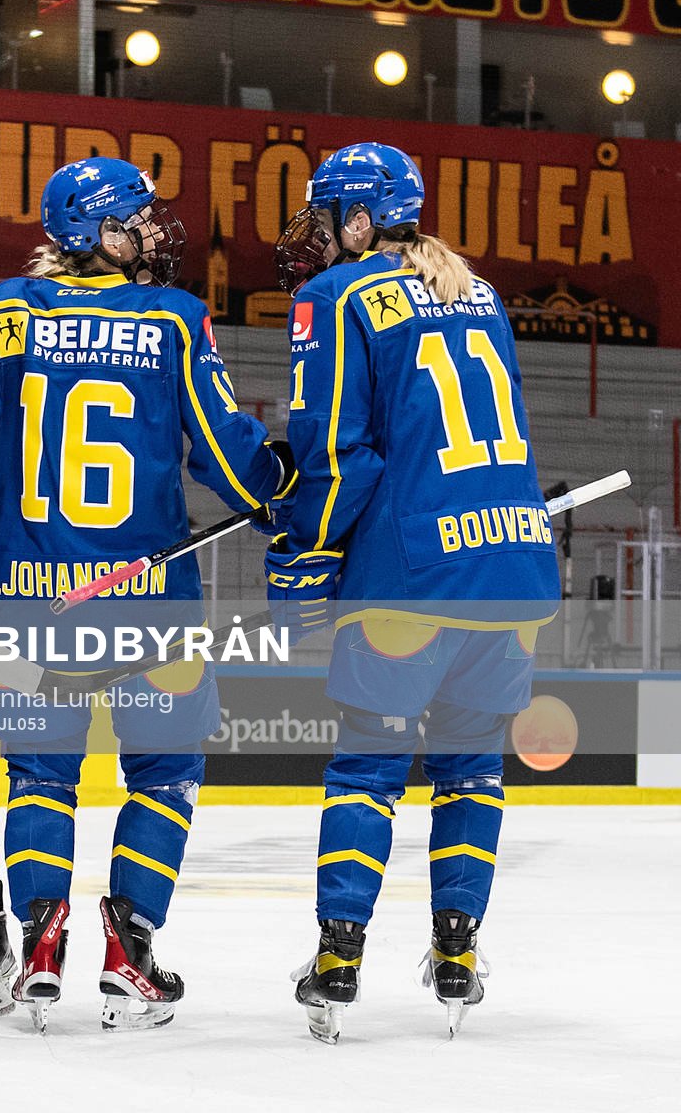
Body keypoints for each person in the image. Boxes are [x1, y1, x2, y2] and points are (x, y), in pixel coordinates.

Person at [0, 156, 289, 1031]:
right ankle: (133, 948)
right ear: (100, 231)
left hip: (24, 597)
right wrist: (288, 493)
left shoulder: (3, 315)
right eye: (140, 217)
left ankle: (40, 940)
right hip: (147, 602)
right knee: (164, 769)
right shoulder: (176, 319)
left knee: (41, 776)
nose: (155, 231)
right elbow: (230, 456)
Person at [269, 143, 561, 1043]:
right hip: (514, 570)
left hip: (411, 573)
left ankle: (339, 955)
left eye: (324, 216)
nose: (313, 234)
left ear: (359, 221)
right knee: (471, 768)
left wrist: (305, 549)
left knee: (367, 766)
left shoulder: (338, 295)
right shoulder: (478, 291)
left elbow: (336, 452)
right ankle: (459, 951)